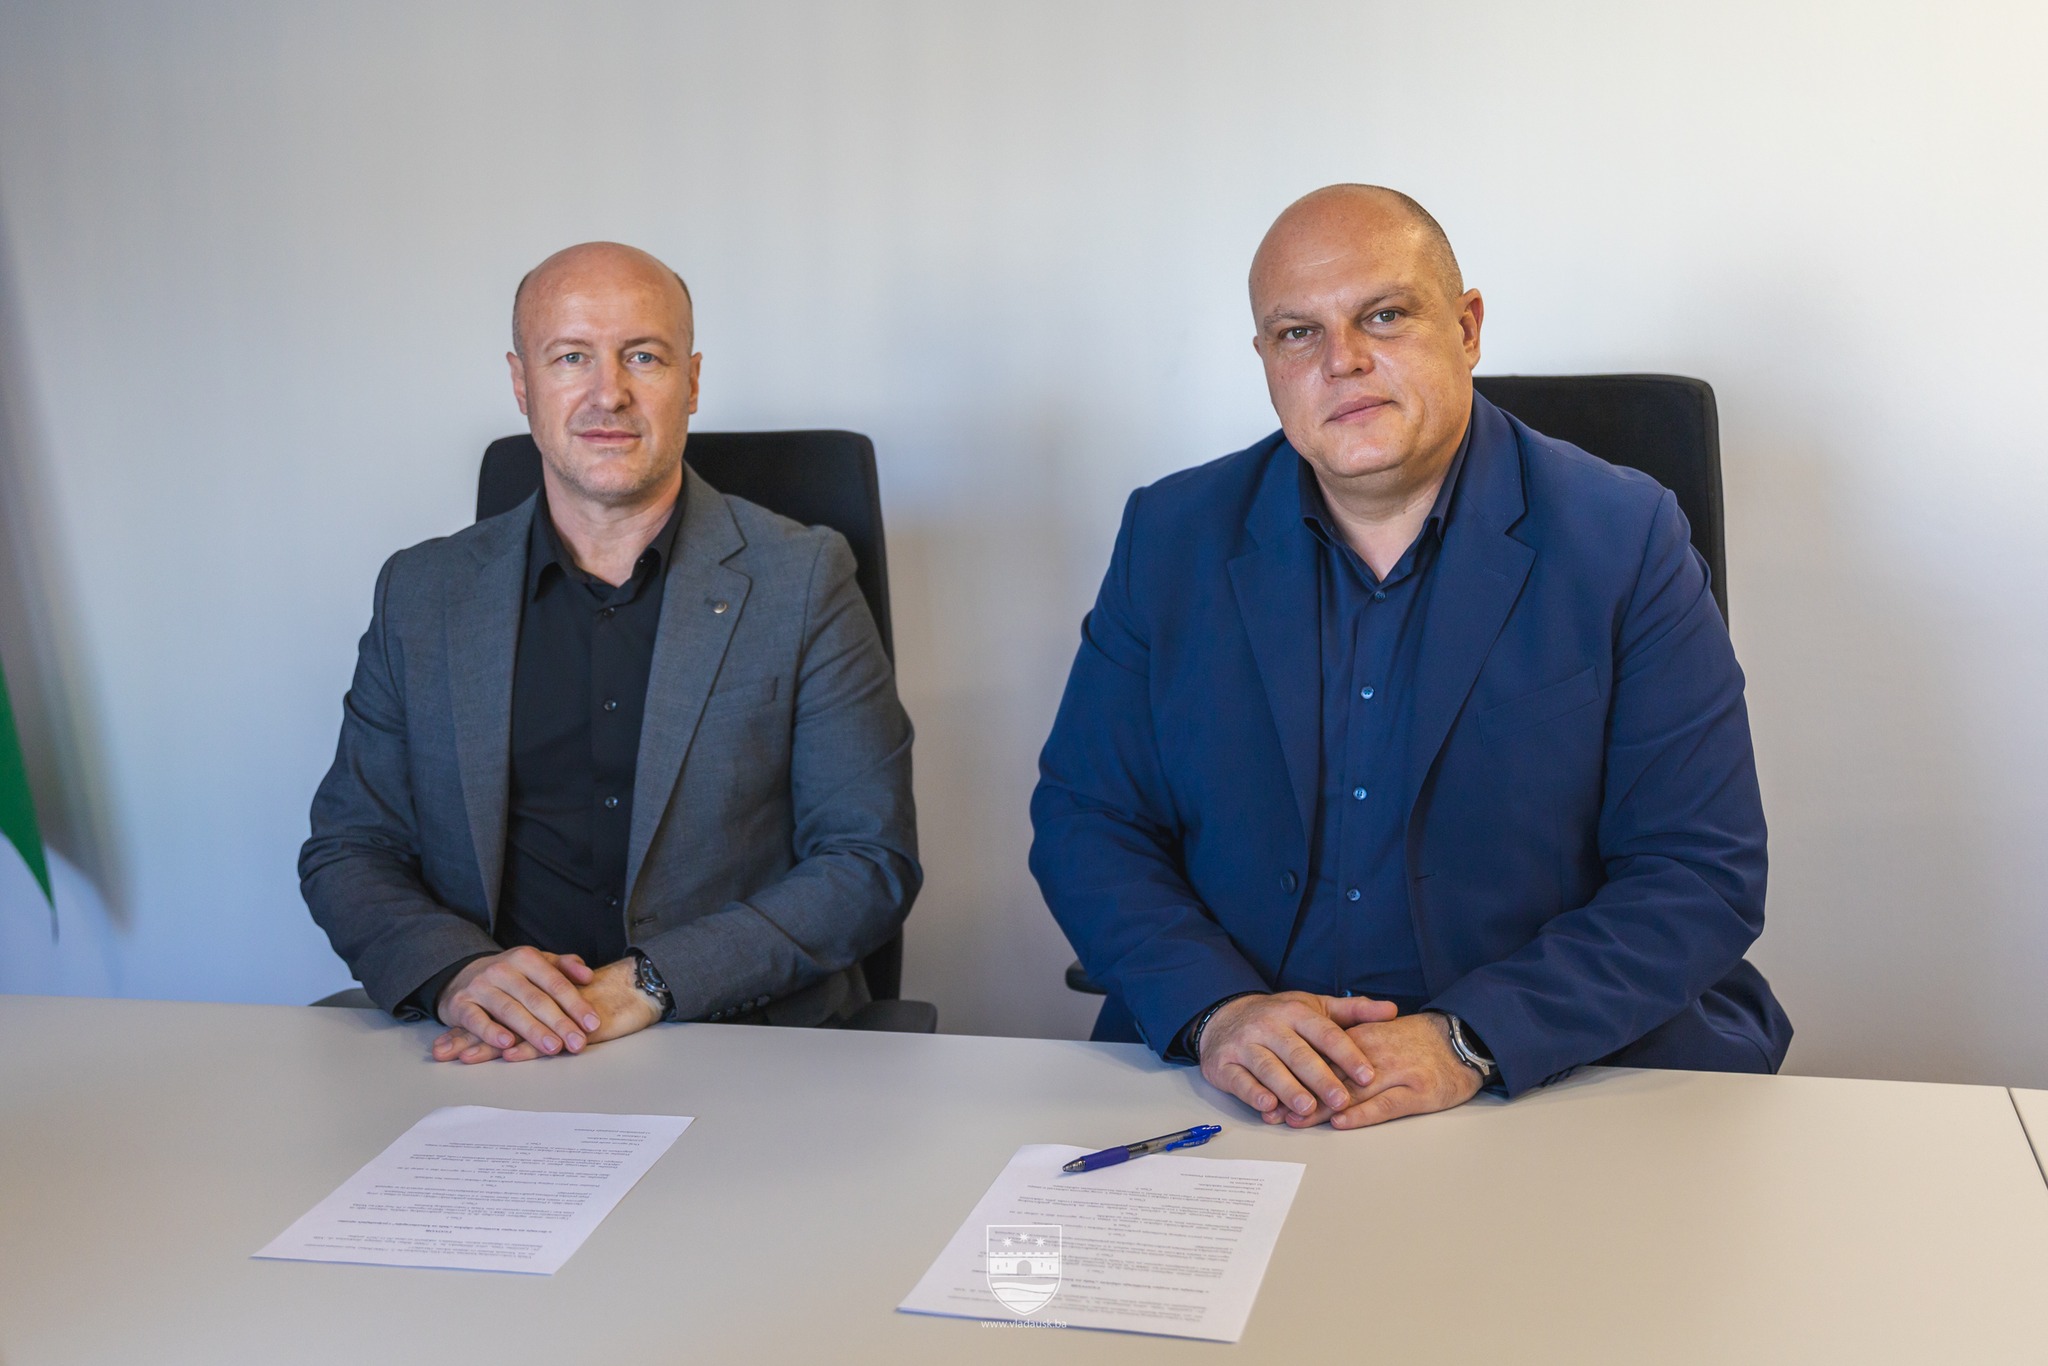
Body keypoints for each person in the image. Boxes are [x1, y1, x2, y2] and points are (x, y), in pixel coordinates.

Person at [1030, 185, 1790, 1128]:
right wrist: (1217, 1010)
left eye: (1384, 315)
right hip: (1241, 1086)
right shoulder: (1171, 536)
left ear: (1467, 329)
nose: (1342, 361)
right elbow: (1087, 818)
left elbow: (1698, 870)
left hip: (1548, 1078)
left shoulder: (1624, 539)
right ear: (1266, 360)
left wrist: (1469, 1040)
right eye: (1298, 333)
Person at [302, 242, 918, 1063]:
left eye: (643, 356)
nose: (608, 394)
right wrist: (459, 974)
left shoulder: (802, 578)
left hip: (732, 1045)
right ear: (521, 383)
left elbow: (867, 859)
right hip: (487, 1050)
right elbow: (351, 847)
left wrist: (650, 984)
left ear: (691, 382)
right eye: (570, 357)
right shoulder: (423, 592)